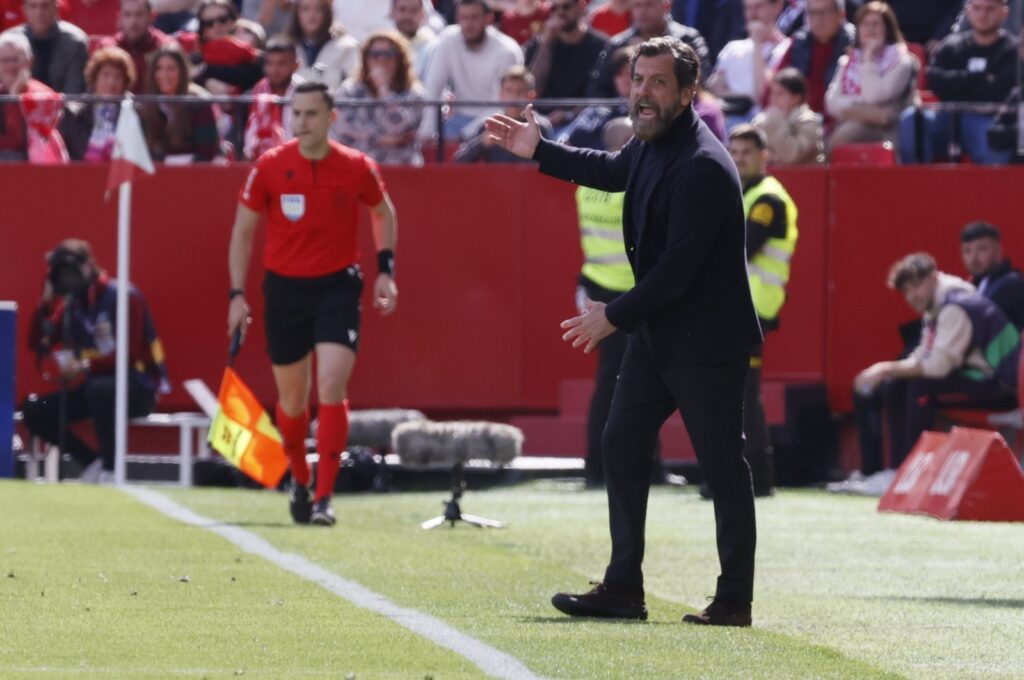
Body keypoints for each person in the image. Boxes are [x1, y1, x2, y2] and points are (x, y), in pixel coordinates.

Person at [485, 37, 761, 626]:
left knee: (720, 465)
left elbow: (677, 272)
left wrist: (612, 315)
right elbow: (610, 171)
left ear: (688, 94)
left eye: (659, 83)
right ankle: (622, 588)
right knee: (622, 441)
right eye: (639, 80)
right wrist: (540, 149)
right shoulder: (649, 143)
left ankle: (734, 599)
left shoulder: (704, 167)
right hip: (659, 335)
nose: (644, 93)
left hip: (706, 341)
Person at [227, 81, 399, 526]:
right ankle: (299, 479)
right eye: (296, 113)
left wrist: (385, 270)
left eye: (310, 114)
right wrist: (236, 294)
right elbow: (242, 232)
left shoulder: (356, 166)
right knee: (292, 400)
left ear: (331, 118)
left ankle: (324, 495)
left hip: (337, 286)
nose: (301, 122)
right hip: (284, 290)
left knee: (331, 388)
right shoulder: (269, 166)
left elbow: (383, 212)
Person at [847, 252, 1019, 496]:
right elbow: (925, 354)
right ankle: (890, 471)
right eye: (906, 290)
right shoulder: (938, 304)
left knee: (920, 386)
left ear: (935, 277)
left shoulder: (955, 306)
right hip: (980, 379)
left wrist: (885, 368)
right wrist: (889, 371)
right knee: (898, 383)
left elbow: (938, 367)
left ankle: (906, 471)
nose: (912, 295)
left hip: (1002, 388)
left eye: (917, 285)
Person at [21, 239, 166, 483]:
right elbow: (37, 342)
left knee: (100, 388)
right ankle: (93, 463)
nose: (68, 278)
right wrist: (45, 301)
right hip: (95, 390)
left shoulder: (122, 295)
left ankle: (111, 468)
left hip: (138, 387)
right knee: (35, 410)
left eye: (71, 270)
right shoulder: (72, 304)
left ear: (89, 265)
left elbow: (126, 355)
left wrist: (82, 364)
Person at [720, 123, 798, 498]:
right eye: (733, 153)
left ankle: (748, 478)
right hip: (740, 307)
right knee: (742, 392)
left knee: (742, 394)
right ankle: (758, 478)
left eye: (746, 153)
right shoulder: (744, 193)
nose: (738, 159)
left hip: (751, 308)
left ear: (764, 156)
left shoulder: (767, 198)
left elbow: (743, 248)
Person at [898, 0, 1017, 165]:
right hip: (945, 117)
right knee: (911, 120)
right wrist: (981, 77)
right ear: (968, 11)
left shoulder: (1012, 51)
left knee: (998, 136)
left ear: (1004, 13)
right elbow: (935, 81)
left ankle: (994, 189)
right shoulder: (951, 46)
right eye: (977, 8)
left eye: (990, 9)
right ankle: (918, 185)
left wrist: (959, 84)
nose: (983, 14)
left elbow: (1001, 89)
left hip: (990, 119)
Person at [421, 0, 523, 139]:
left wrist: (466, 135)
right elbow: (433, 87)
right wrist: (427, 132)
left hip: (496, 124)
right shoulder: (447, 39)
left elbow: (502, 104)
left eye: (474, 17)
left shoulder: (508, 51)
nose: (468, 24)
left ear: (489, 19)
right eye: (463, 17)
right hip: (455, 122)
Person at [824, 1, 917, 153]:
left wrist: (868, 59)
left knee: (849, 132)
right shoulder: (847, 61)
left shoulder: (902, 61)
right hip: (852, 123)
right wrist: (866, 110)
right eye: (865, 24)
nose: (870, 29)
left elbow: (874, 96)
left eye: (876, 24)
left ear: (887, 29)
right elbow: (831, 103)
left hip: (890, 131)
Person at [333, 30, 425, 165]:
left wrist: (384, 91)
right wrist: (381, 139)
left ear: (400, 58)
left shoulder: (414, 94)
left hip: (402, 167)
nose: (382, 60)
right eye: (375, 55)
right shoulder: (350, 91)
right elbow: (343, 129)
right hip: (359, 167)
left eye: (389, 54)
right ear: (365, 59)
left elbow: (401, 129)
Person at [587, 0, 709, 98]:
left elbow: (702, 78)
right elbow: (597, 89)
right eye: (637, 5)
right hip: (625, 116)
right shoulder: (618, 43)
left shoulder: (687, 39)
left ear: (667, 5)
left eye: (649, 4)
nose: (642, 11)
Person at [524, 0, 608, 128]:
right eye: (554, 8)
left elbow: (602, 96)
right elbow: (532, 89)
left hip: (583, 120)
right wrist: (546, 43)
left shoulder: (602, 46)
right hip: (542, 119)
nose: (560, 12)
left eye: (566, 7)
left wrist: (570, 114)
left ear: (581, 7)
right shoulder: (538, 45)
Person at [706, 0, 790, 125]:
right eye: (748, 8)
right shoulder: (733, 47)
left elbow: (762, 94)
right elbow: (713, 87)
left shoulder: (787, 48)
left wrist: (757, 43)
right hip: (730, 121)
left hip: (764, 125)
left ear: (777, 7)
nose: (752, 13)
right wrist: (744, 98)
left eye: (759, 7)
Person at [139, 43, 221, 163]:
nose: (164, 75)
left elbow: (206, 153)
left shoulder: (199, 104)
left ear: (182, 72)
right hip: (156, 176)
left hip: (194, 175)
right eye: (159, 68)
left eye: (171, 69)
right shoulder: (146, 107)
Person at [454, 64, 551, 162]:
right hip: (494, 177)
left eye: (520, 91)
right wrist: (482, 144)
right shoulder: (489, 126)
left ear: (531, 96)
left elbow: (553, 166)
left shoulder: (540, 127)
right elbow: (458, 163)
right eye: (509, 91)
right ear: (501, 95)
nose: (514, 97)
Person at [775, 0, 854, 116]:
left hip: (840, 119)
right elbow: (774, 89)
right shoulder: (797, 43)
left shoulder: (855, 45)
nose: (819, 19)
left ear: (841, 15)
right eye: (813, 12)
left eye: (825, 12)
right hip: (797, 118)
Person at [60, 46, 135, 162]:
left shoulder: (135, 112)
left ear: (125, 82)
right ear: (95, 79)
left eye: (118, 76)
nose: (111, 82)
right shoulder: (73, 113)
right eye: (106, 75)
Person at [1, 0, 87, 93]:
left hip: (62, 105)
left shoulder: (75, 41)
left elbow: (75, 93)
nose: (39, 12)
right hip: (17, 102)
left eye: (45, 6)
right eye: (33, 6)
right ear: (24, 10)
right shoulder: (10, 42)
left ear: (56, 8)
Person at [0, 29, 59, 161]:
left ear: (29, 61)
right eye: (4, 60)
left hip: (34, 169)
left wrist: (15, 96)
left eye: (15, 60)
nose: (10, 66)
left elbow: (18, 142)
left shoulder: (42, 95)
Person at [243, 36, 304, 160]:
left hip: (298, 161)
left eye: (282, 63)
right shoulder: (255, 92)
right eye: (270, 63)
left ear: (296, 65)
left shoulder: (306, 93)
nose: (274, 70)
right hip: (261, 162)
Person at [960, 221, 1024, 330]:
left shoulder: (1013, 284)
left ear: (998, 249)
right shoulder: (970, 286)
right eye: (967, 251)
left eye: (982, 249)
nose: (973, 258)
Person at [752, 66, 823, 163]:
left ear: (796, 97)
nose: (773, 99)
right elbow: (752, 155)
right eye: (772, 93)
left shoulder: (809, 122)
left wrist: (776, 123)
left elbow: (792, 156)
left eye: (780, 94)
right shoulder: (764, 119)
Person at [100, 0, 172, 94]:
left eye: (139, 15)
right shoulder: (107, 49)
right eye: (127, 14)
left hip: (156, 106)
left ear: (151, 16)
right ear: (119, 17)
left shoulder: (165, 47)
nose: (133, 22)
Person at [287, 0, 360, 90]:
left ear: (327, 12)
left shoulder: (347, 47)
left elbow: (352, 83)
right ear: (296, 13)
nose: (312, 14)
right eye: (305, 9)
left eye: (318, 9)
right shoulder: (286, 47)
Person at [390, 0, 437, 81]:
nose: (407, 16)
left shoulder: (433, 47)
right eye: (402, 9)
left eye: (414, 10)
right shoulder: (381, 45)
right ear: (392, 12)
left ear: (422, 14)